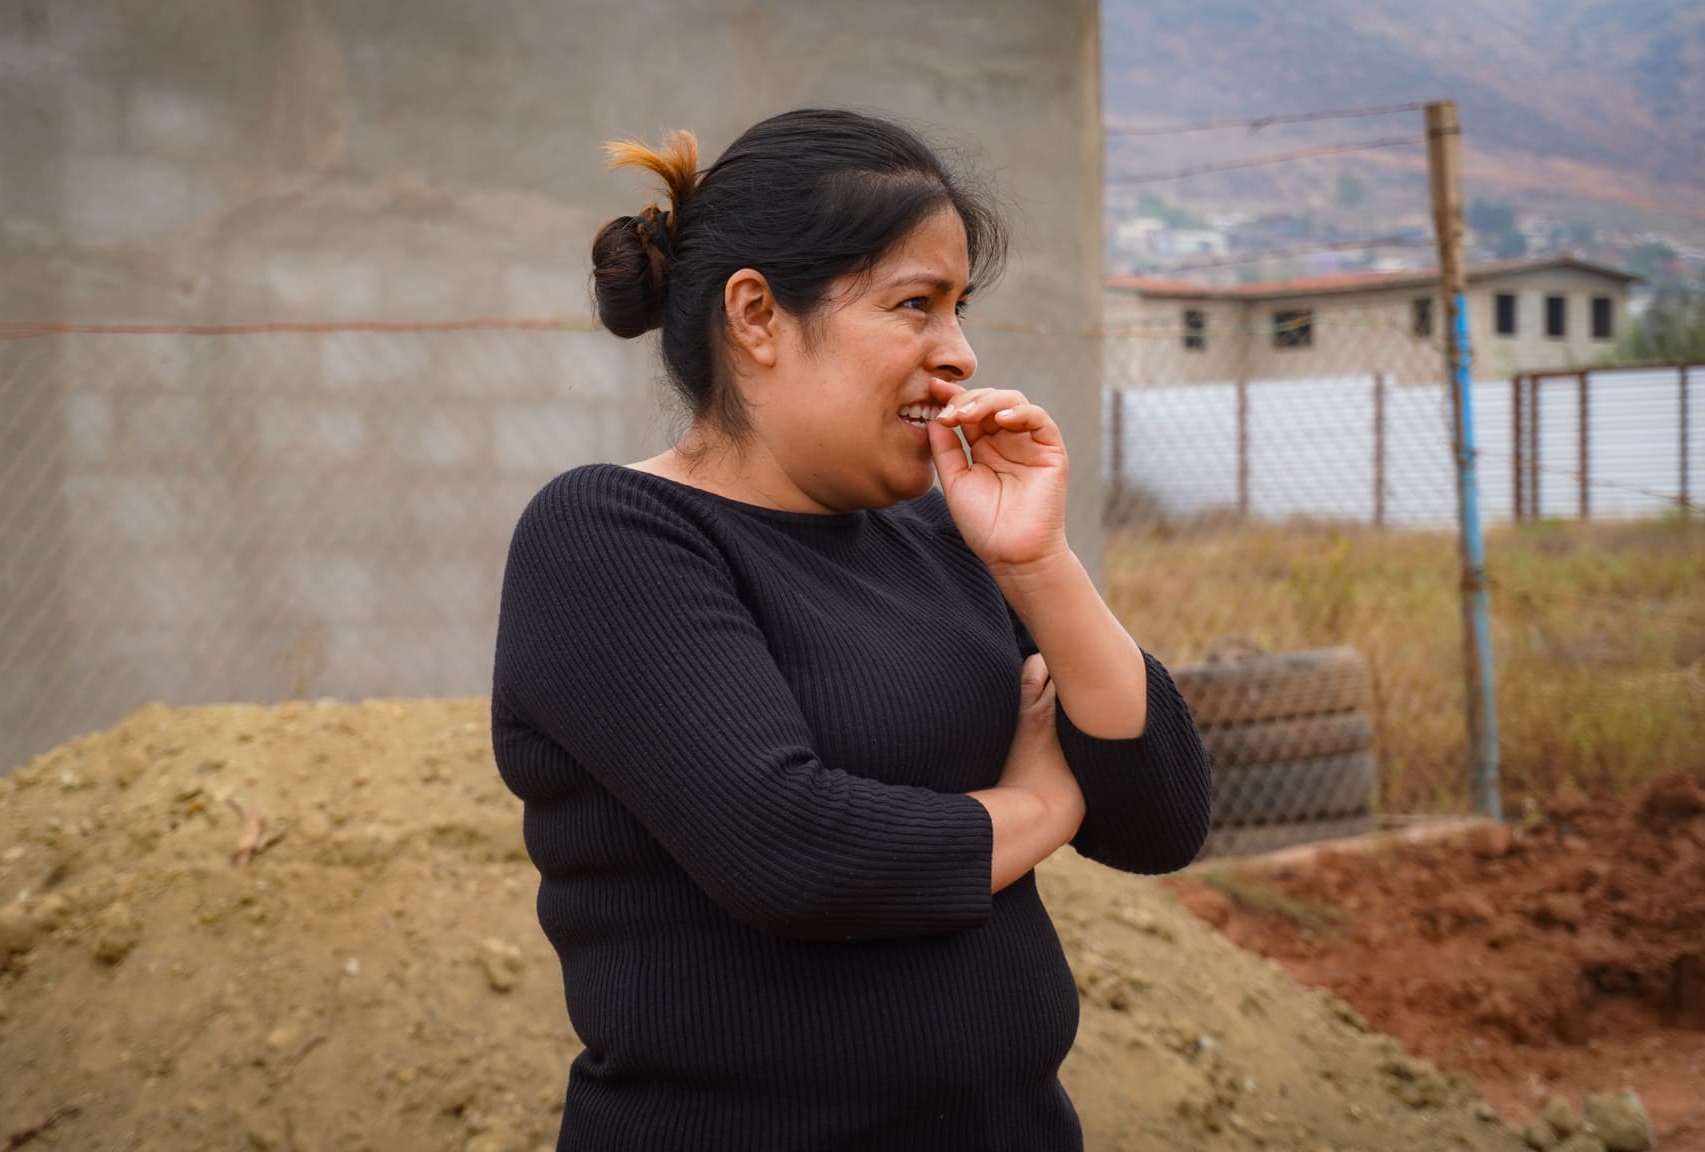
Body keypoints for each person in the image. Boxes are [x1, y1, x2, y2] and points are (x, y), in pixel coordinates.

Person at [491, 109, 1211, 1151]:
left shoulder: (939, 536)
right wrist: (1041, 801)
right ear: (756, 316)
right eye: (913, 304)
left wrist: (1035, 565)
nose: (957, 353)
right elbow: (795, 852)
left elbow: (1158, 819)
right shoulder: (609, 537)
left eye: (959, 308)